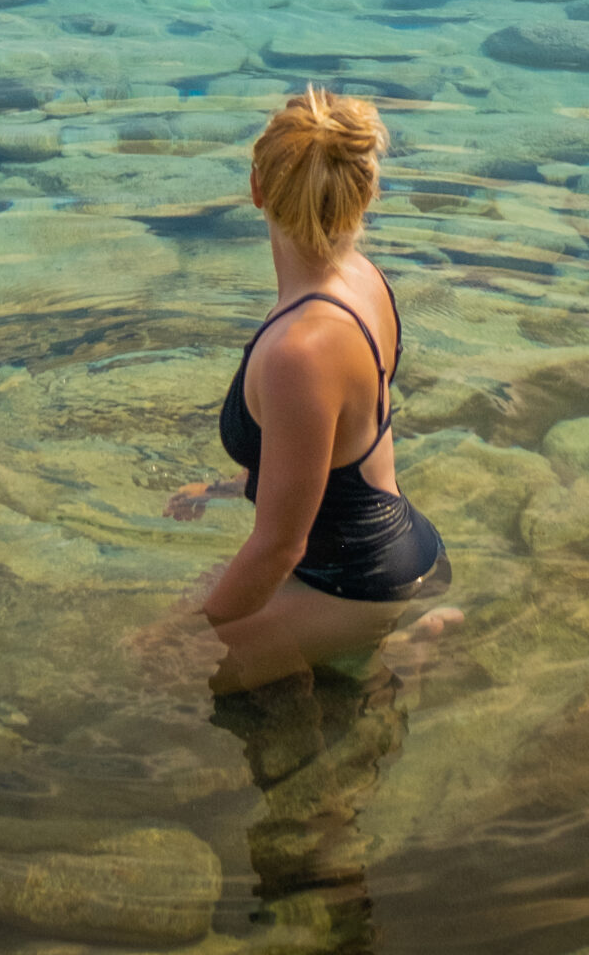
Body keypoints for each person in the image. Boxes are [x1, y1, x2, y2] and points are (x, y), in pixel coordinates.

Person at [157, 87, 459, 696]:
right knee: (206, 602)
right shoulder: (361, 280)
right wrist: (221, 488)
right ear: (365, 193)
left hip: (362, 583)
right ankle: (378, 662)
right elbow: (326, 454)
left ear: (256, 189)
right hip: (393, 547)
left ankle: (355, 698)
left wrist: (186, 637)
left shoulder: (300, 350)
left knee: (193, 675)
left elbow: (278, 549)